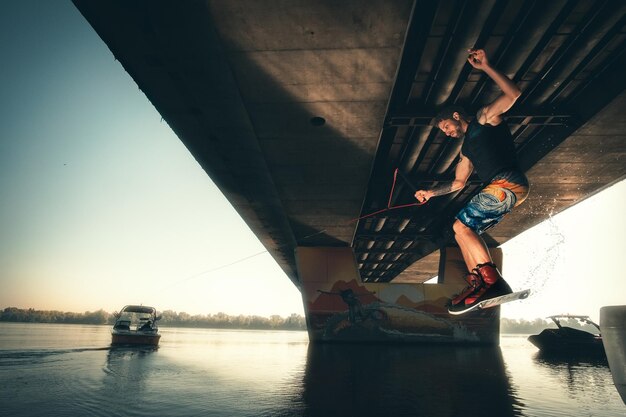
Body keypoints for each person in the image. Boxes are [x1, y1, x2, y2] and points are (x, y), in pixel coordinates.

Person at [414, 48, 529, 314]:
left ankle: (492, 282)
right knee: (461, 230)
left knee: (461, 226)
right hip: (504, 189)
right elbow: (458, 183)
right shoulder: (466, 151)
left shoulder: (483, 118)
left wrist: (486, 66)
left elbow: (513, 94)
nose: (446, 133)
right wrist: (430, 193)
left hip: (508, 181)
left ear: (455, 116)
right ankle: (480, 282)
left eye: (445, 127)